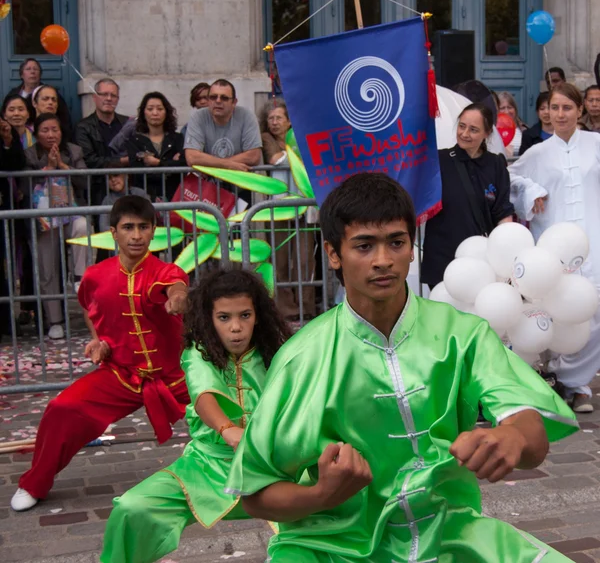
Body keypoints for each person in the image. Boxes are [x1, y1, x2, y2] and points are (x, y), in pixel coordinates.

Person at [225, 172, 578, 563]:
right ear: (333, 253)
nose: (383, 261)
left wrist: (512, 438)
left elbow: (532, 436)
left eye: (396, 242)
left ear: (412, 248)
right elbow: (256, 493)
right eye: (364, 245)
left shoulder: (462, 334)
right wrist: (322, 495)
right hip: (332, 546)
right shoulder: (300, 360)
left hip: (449, 532)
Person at [10, 195, 191, 512]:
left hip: (176, 377)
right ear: (113, 233)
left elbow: (174, 286)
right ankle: (34, 483)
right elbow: (89, 307)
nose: (136, 235)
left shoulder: (166, 270)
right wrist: (99, 341)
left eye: (143, 227)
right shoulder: (95, 275)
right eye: (128, 227)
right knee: (62, 408)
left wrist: (177, 297)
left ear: (153, 232)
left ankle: (251, 470)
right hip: (121, 374)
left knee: (232, 408)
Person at [100, 268, 290, 563]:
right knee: (131, 508)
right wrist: (227, 429)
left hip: (270, 468)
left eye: (245, 315)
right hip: (205, 466)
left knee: (332, 506)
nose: (236, 327)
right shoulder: (197, 353)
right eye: (224, 317)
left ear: (258, 316)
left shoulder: (277, 354)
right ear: (209, 318)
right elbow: (204, 395)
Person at [509, 82, 600, 413]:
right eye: (554, 108)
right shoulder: (537, 153)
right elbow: (511, 179)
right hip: (553, 243)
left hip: (595, 239)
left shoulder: (595, 144)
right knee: (555, 308)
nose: (560, 114)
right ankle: (555, 377)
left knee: (594, 311)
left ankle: (577, 382)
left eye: (567, 108)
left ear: (579, 111)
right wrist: (532, 189)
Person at [421, 103, 514, 289]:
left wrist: (507, 251)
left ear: (487, 133)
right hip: (444, 258)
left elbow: (503, 213)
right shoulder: (438, 161)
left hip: (483, 259)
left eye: (473, 130)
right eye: (462, 126)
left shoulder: (495, 164)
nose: (464, 134)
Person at [22, 113, 91, 340]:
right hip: (44, 220)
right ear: (37, 133)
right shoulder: (30, 154)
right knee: (47, 269)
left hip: (69, 214)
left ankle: (81, 275)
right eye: (45, 130)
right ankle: (55, 321)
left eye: (55, 130)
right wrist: (47, 169)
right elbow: (23, 184)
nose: (51, 135)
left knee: (83, 226)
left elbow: (85, 180)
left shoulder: (73, 151)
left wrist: (62, 165)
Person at [260, 99, 316, 323]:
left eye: (278, 118)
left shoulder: (299, 138)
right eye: (270, 119)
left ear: (289, 121)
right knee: (280, 260)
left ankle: (307, 305)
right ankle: (285, 308)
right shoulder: (265, 138)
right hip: (277, 208)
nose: (274, 123)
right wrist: (297, 157)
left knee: (304, 259)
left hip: (304, 206)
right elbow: (276, 160)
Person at [184, 78, 262, 205]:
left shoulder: (246, 116)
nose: (218, 101)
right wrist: (229, 165)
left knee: (242, 225)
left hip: (241, 187)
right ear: (208, 100)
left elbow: (253, 155)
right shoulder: (198, 117)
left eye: (224, 98)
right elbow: (192, 157)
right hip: (208, 189)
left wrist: (211, 164)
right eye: (213, 97)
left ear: (234, 102)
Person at [2, 94, 37, 327]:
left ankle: (10, 319)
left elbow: (14, 163)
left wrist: (6, 139)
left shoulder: (15, 137)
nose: (15, 114)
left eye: (20, 109)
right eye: (11, 109)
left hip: (12, 204)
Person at [75, 78, 130, 206]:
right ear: (95, 97)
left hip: (126, 187)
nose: (109, 98)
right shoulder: (83, 127)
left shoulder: (127, 123)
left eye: (113, 95)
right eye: (104, 94)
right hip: (98, 187)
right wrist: (120, 162)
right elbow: (89, 160)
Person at [126, 91, 184, 202]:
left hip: (174, 196)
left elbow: (183, 164)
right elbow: (138, 172)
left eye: (160, 109)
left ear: (166, 112)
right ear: (143, 112)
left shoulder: (178, 138)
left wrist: (157, 163)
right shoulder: (134, 141)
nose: (155, 113)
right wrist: (170, 165)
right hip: (146, 198)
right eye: (150, 109)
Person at [0, 117, 26, 342]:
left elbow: (16, 163)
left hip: (2, 208)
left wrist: (7, 139)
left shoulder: (5, 129)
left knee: (3, 269)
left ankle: (7, 323)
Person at [7, 58, 72, 136]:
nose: (32, 72)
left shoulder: (51, 93)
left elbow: (64, 119)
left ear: (40, 74)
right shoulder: (13, 94)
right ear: (21, 74)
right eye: (28, 69)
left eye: (36, 69)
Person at [498, 91, 528, 157]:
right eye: (502, 108)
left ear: (515, 109)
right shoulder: (492, 131)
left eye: (509, 107)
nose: (506, 111)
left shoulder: (524, 130)